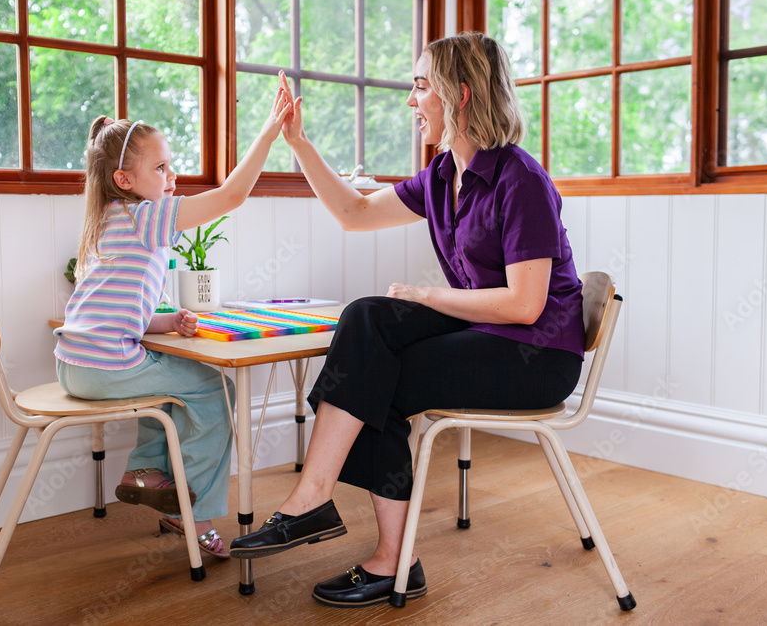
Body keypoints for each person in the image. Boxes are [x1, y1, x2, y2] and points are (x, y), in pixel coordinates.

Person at [229, 32, 586, 606]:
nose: (411, 99)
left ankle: (373, 546)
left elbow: (525, 305)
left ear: (459, 94)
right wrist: (297, 143)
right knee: (368, 318)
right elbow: (354, 212)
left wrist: (427, 296)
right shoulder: (445, 174)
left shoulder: (521, 181)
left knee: (381, 376)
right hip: (486, 332)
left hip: (539, 355)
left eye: (421, 86)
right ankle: (320, 504)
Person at [54, 78, 292, 559]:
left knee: (169, 389)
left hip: (73, 365)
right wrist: (267, 134)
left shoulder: (105, 221)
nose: (171, 176)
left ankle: (147, 472)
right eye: (161, 168)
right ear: (125, 180)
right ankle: (192, 511)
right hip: (105, 366)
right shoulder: (146, 215)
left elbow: (116, 315)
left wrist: (165, 324)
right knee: (216, 389)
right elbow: (230, 197)